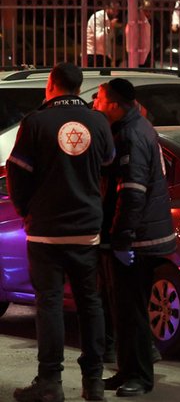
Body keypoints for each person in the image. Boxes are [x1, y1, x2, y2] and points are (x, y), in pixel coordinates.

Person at [8, 62, 115, 402]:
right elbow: (108, 170)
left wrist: (27, 210)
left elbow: (16, 173)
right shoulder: (98, 122)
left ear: (51, 84)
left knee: (50, 305)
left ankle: (50, 382)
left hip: (46, 232)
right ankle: (94, 381)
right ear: (78, 87)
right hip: (86, 230)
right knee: (90, 304)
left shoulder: (36, 122)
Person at [93, 78, 177, 397]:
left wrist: (123, 239)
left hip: (139, 241)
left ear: (115, 104)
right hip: (138, 237)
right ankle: (127, 371)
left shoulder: (130, 135)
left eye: (100, 99)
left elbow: (132, 193)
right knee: (123, 312)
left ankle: (140, 376)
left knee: (133, 313)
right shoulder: (135, 127)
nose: (96, 105)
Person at [86, 1, 120, 67]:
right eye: (114, 10)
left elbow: (109, 39)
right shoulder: (97, 17)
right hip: (94, 55)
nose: (116, 13)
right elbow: (98, 37)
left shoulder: (109, 20)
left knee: (107, 77)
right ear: (107, 7)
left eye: (117, 11)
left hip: (105, 56)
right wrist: (110, 27)